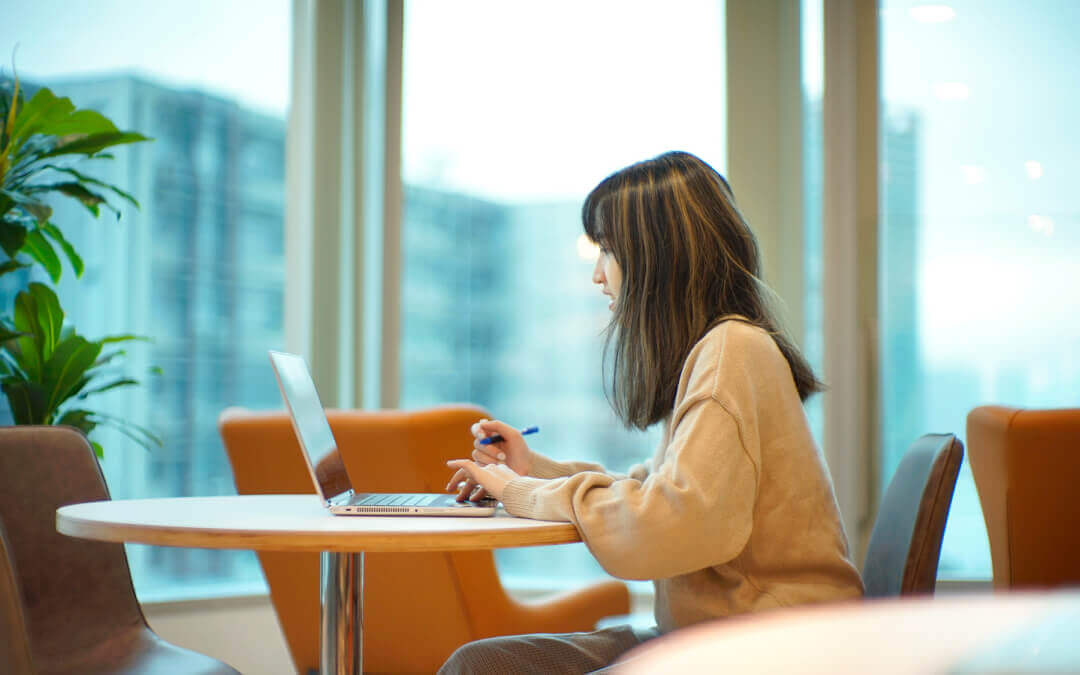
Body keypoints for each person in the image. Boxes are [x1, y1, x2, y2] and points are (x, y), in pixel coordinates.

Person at [440, 151, 864, 674]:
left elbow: (667, 526)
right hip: (722, 635)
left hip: (763, 648)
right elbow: (660, 490)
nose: (598, 275)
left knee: (482, 669)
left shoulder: (733, 352)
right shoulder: (722, 349)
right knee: (482, 665)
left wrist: (519, 493)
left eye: (609, 252)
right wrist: (533, 471)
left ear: (657, 259)